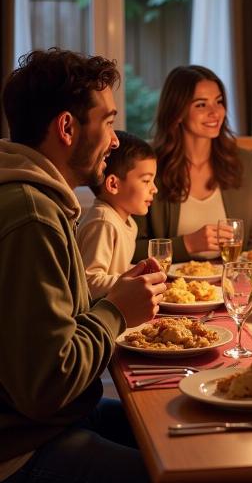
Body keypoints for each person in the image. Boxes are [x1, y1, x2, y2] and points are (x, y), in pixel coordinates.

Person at [0, 48, 166, 482]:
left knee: (174, 422)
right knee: (186, 471)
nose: (115, 140)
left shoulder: (40, 199)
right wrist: (115, 311)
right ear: (67, 127)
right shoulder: (30, 216)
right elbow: (49, 382)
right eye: (108, 122)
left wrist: (111, 294)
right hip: (23, 447)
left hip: (57, 418)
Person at [133, 65, 252, 263]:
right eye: (201, 105)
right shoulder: (148, 167)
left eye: (219, 102)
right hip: (170, 288)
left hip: (233, 284)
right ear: (177, 112)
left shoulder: (244, 162)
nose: (215, 112)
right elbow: (129, 248)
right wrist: (186, 244)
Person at [77, 130, 158, 299]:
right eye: (146, 181)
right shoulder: (103, 222)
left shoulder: (127, 222)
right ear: (113, 184)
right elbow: (89, 282)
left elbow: (116, 270)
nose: (154, 189)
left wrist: (138, 271)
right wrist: (137, 281)